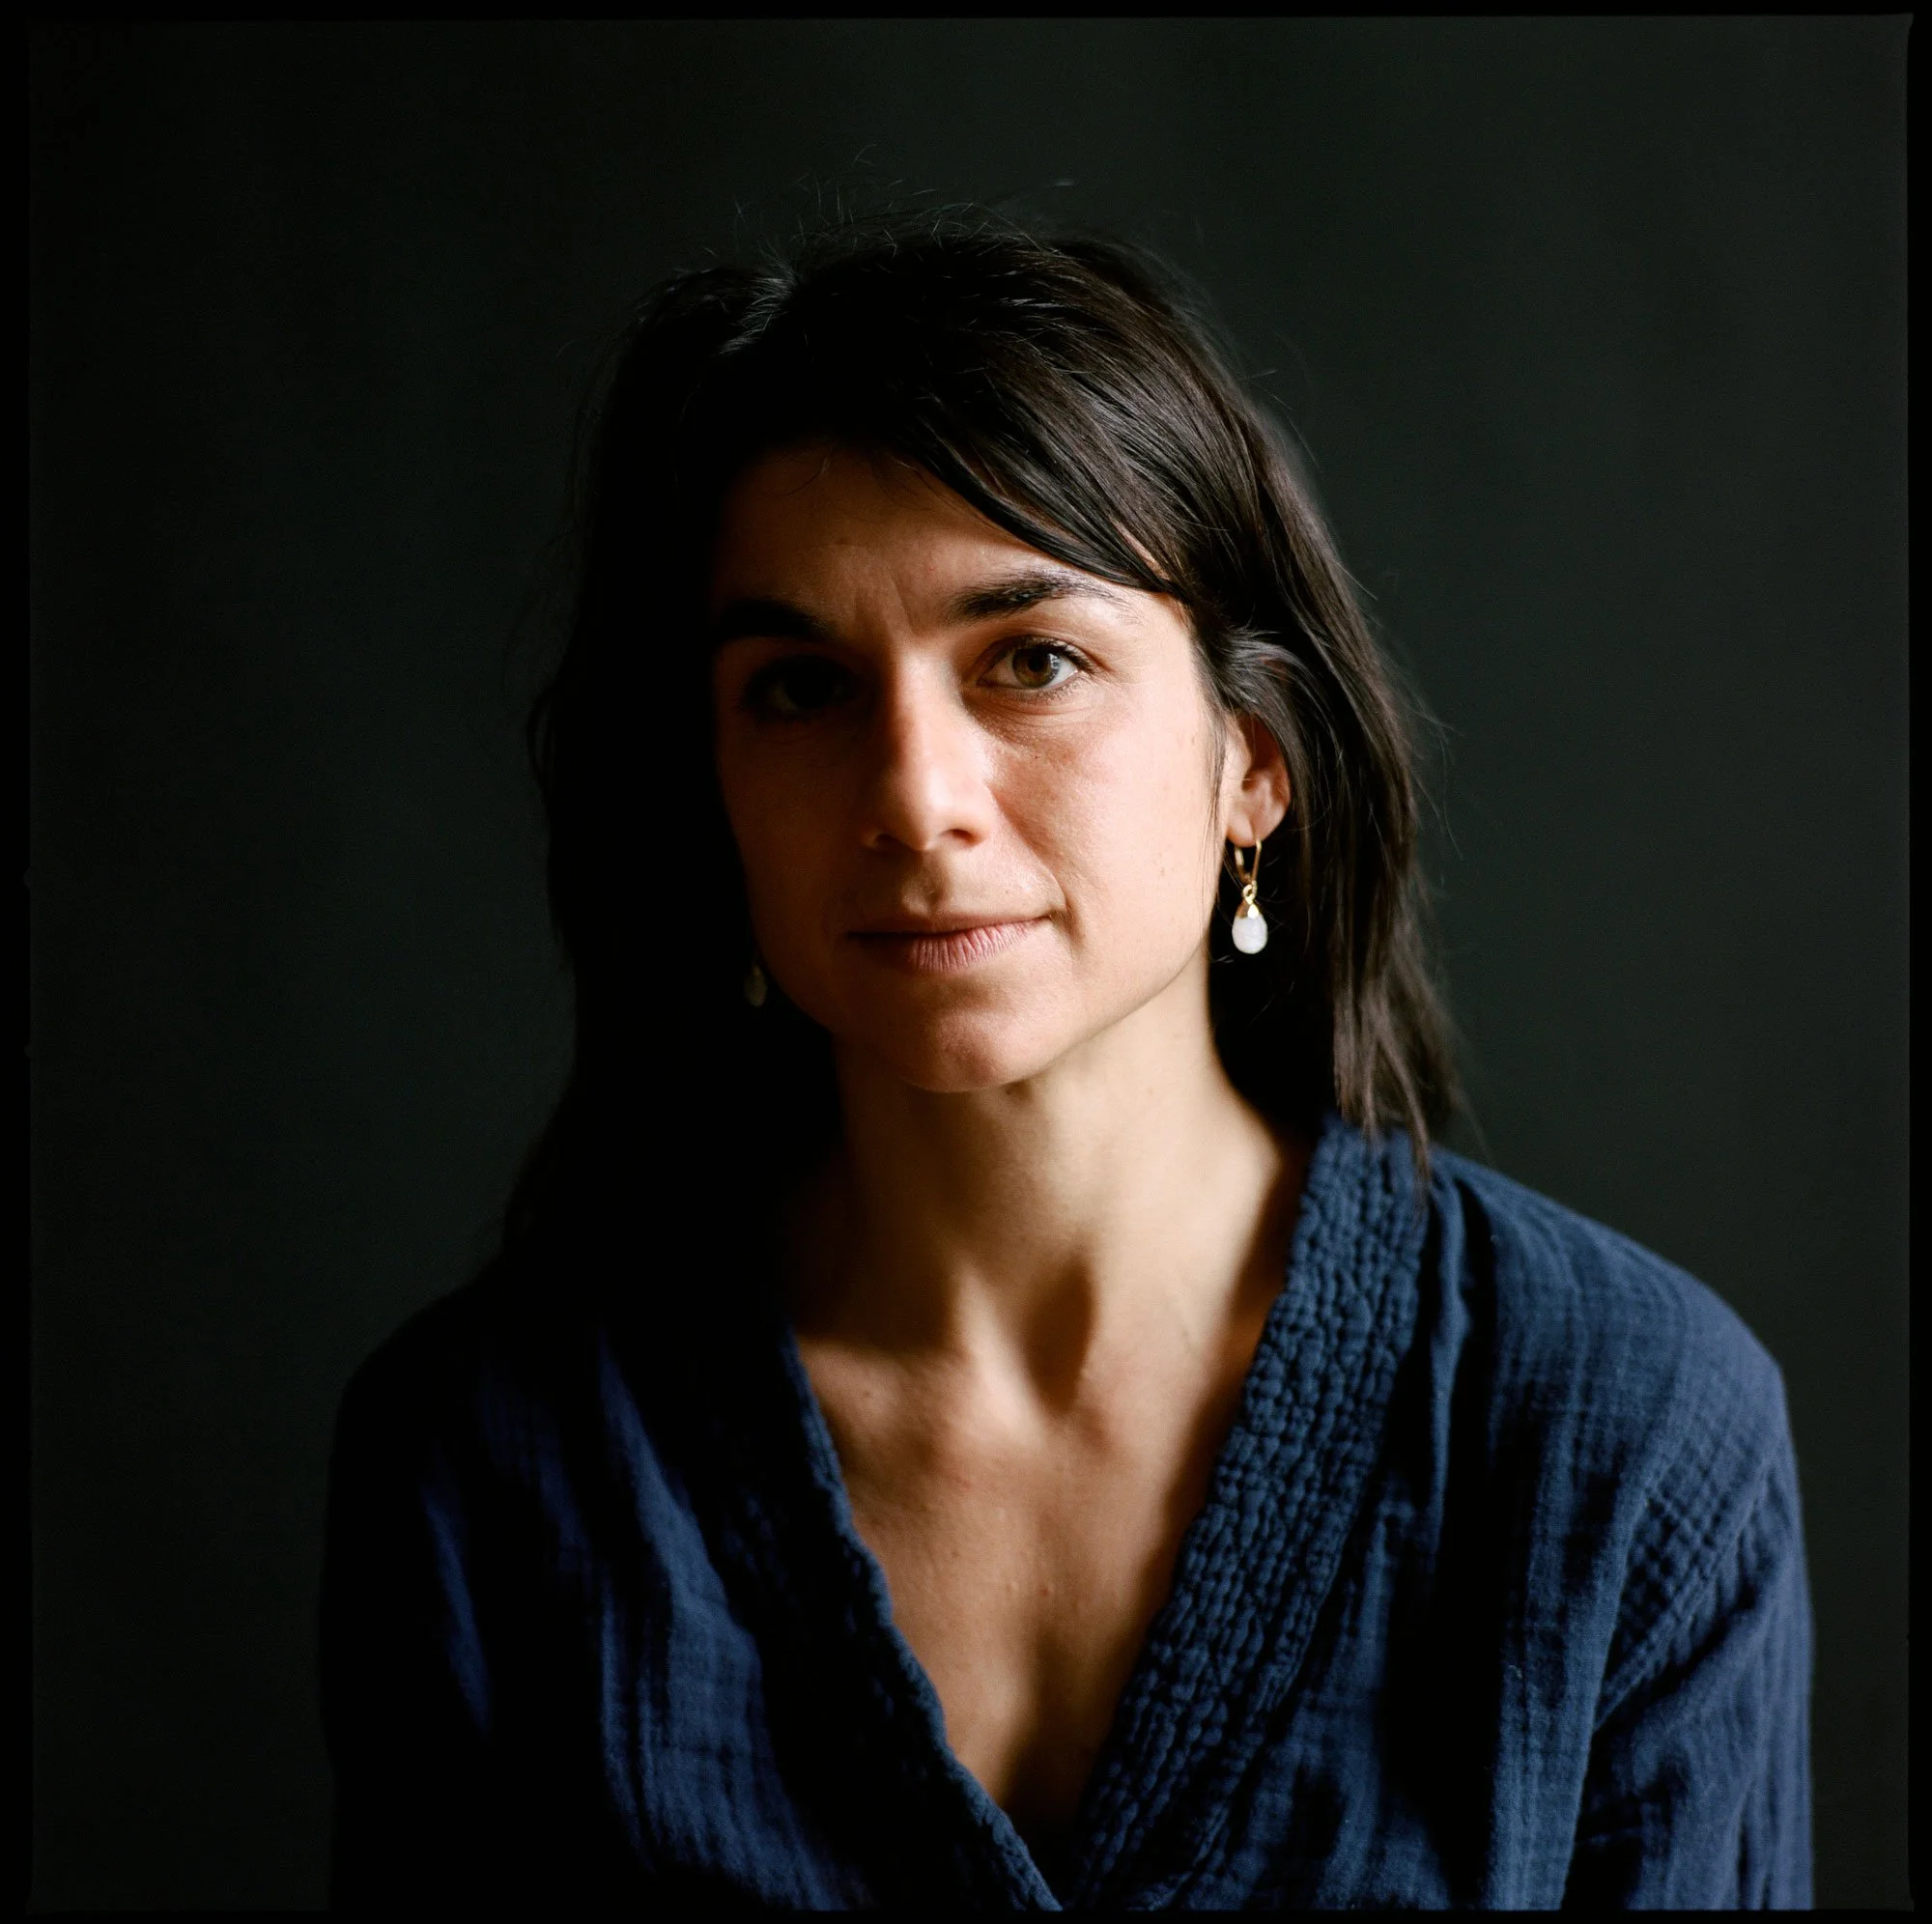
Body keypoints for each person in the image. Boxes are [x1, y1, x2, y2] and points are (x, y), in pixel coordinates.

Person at [319, 217, 1812, 1909]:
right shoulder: (492, 1457)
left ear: (1253, 762)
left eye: (1031, 660)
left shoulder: (1624, 1431)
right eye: (800, 689)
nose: (913, 796)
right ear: (710, 790)